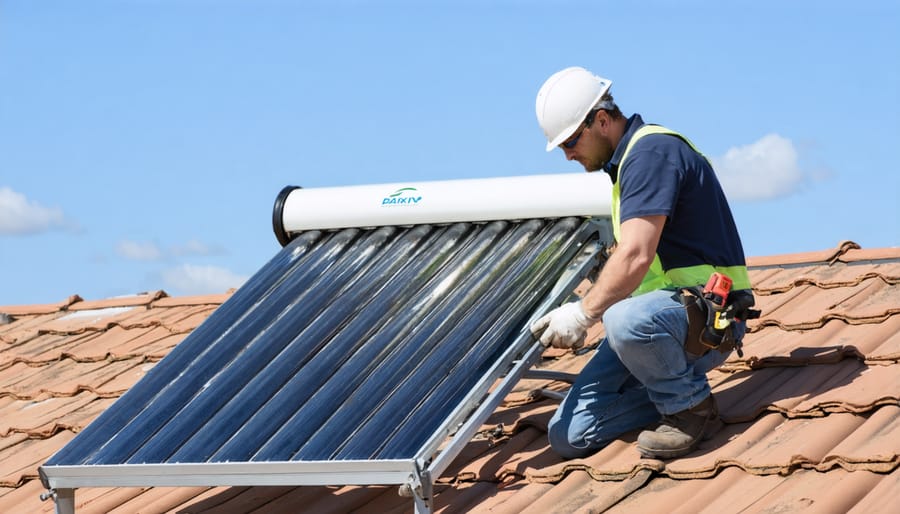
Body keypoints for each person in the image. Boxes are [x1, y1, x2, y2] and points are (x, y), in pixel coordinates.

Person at [529, 66, 754, 460]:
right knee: (569, 434)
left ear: (601, 120)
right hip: (661, 323)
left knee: (623, 320)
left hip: (708, 320)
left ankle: (688, 408)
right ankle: (667, 387)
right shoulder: (625, 170)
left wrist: (584, 314)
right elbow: (634, 268)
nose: (567, 155)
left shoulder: (651, 153)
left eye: (570, 142)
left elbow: (635, 255)